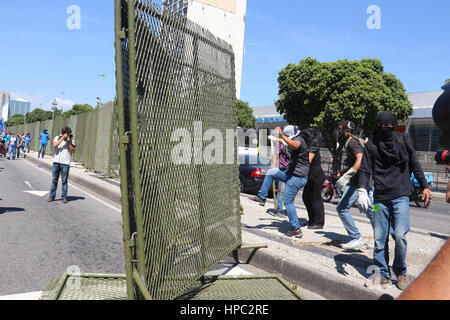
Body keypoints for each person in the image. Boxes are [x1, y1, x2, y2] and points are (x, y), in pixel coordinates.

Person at [358, 111, 431, 291]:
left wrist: (425, 186)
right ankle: (382, 274)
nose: (385, 128)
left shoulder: (403, 139)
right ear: (377, 126)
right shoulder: (371, 144)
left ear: (394, 125)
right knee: (379, 238)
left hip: (401, 195)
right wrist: (362, 189)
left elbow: (414, 163)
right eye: (381, 125)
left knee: (399, 236)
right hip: (379, 198)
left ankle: (400, 271)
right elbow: (365, 169)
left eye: (389, 125)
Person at [250, 125, 310, 238]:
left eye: (287, 136)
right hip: (291, 174)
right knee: (271, 172)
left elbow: (295, 145)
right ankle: (262, 197)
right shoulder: (293, 138)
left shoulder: (298, 140)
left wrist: (281, 135)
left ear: (290, 135)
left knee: (288, 201)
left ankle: (296, 229)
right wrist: (275, 138)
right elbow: (284, 142)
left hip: (298, 177)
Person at [335, 120, 374, 250]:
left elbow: (360, 158)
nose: (338, 132)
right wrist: (343, 172)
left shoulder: (351, 142)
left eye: (340, 130)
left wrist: (347, 175)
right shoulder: (357, 140)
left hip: (358, 182)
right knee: (372, 210)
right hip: (364, 180)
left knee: (342, 208)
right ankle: (383, 237)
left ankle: (357, 238)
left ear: (347, 131)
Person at [302, 128, 327, 229]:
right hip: (311, 175)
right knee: (306, 197)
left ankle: (319, 222)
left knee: (315, 199)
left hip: (315, 176)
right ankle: (312, 220)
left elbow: (308, 161)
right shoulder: (309, 147)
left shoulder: (313, 148)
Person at [48, 127, 76, 204]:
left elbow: (73, 151)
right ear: (62, 133)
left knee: (64, 181)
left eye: (68, 133)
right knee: (54, 180)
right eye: (65, 133)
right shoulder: (57, 137)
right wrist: (62, 138)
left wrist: (69, 142)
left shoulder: (71, 139)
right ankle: (52, 195)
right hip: (56, 162)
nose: (67, 135)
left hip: (65, 163)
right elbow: (55, 145)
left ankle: (64, 196)